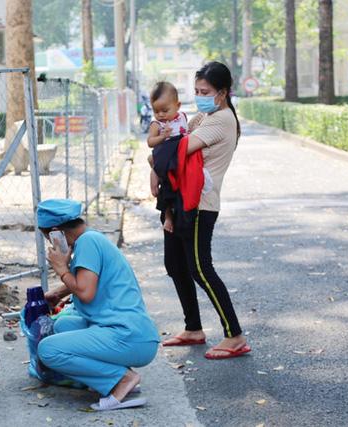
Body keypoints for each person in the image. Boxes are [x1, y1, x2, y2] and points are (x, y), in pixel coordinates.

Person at [160, 62, 251, 360]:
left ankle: (234, 335)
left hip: (200, 204)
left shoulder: (221, 119)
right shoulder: (206, 115)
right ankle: (193, 328)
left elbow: (175, 150)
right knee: (175, 264)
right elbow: (172, 141)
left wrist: (157, 156)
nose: (199, 96)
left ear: (222, 93)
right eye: (196, 91)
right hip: (180, 201)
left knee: (200, 267)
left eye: (205, 91)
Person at [36, 199, 160, 411]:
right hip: (131, 332)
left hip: (128, 336)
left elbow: (85, 291)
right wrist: (58, 292)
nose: (50, 243)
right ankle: (115, 375)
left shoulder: (87, 243)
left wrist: (61, 268)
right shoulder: (91, 240)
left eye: (48, 237)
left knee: (48, 350)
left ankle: (122, 379)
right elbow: (90, 279)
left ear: (57, 232)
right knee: (62, 326)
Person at [146, 81, 188, 234]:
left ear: (178, 105)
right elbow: (150, 142)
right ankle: (168, 217)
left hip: (179, 158)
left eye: (165, 110)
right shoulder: (157, 124)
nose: (161, 114)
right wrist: (162, 137)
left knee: (179, 189)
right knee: (166, 190)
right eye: (156, 111)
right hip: (165, 158)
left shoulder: (182, 116)